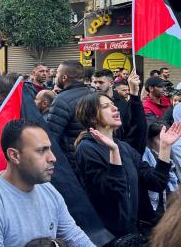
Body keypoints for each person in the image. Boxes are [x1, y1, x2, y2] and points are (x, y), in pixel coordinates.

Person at [0, 119, 94, 247]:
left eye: (49, 149)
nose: (52, 158)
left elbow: (75, 237)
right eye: (41, 150)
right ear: (14, 156)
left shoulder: (48, 190)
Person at [75, 92, 180, 238]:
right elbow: (113, 194)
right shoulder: (87, 148)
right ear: (92, 117)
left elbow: (156, 182)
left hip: (133, 231)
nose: (115, 108)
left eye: (113, 104)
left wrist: (165, 147)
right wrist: (114, 152)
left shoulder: (123, 147)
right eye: (106, 106)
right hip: (111, 235)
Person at [47, 61, 91, 170]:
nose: (55, 76)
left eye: (57, 73)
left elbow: (52, 136)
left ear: (64, 77)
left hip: (72, 162)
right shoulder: (94, 94)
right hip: (93, 156)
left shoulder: (61, 100)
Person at [143, 121, 179, 226]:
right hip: (158, 212)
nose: (165, 141)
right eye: (160, 139)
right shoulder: (146, 158)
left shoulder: (171, 153)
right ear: (149, 140)